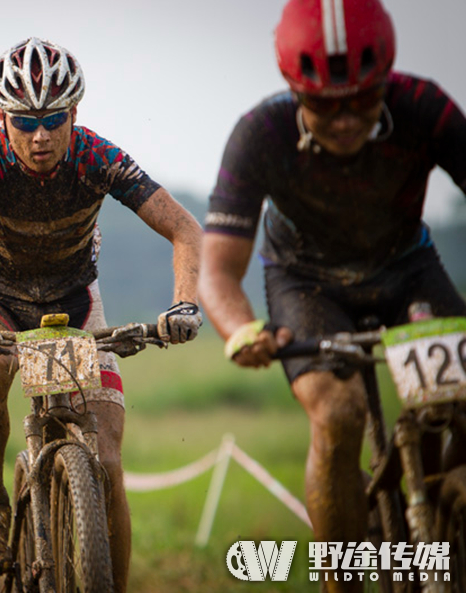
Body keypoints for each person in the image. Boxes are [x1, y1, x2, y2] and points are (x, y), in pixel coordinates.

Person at [0, 37, 202, 589]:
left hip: (74, 300)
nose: (41, 136)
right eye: (24, 121)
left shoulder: (97, 156)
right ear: (1, 118)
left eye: (54, 119)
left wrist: (184, 302)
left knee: (106, 464)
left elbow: (184, 228)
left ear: (74, 114)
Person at [198, 0, 466, 590]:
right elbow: (217, 271)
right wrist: (242, 330)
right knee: (339, 413)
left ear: (386, 82)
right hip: (306, 282)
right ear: (294, 90)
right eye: (322, 105)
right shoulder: (258, 134)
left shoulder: (424, 107)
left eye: (363, 102)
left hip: (406, 269)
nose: (345, 121)